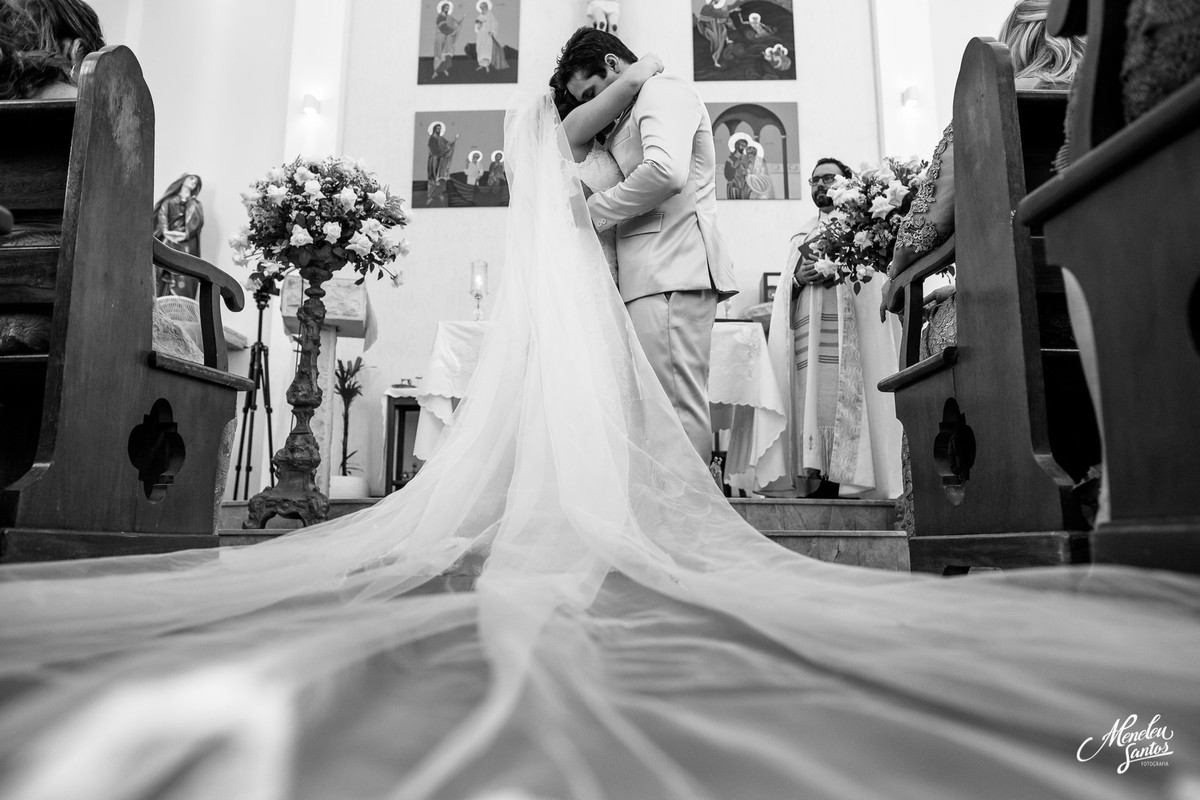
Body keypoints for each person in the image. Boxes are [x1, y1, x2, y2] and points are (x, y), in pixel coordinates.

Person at [1, 20, 1199, 800]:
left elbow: (666, 172)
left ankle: (671, 540)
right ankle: (651, 541)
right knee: (635, 423)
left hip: (659, 273)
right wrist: (596, 146)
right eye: (587, 80)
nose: (587, 88)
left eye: (589, 75)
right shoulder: (580, 118)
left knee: (670, 417)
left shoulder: (644, 106)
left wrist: (603, 166)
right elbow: (586, 146)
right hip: (617, 284)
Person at [881, 0, 1090, 529]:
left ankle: (941, 515)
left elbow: (928, 224)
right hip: (1110, 303)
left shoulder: (984, 109)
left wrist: (898, 273)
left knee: (939, 325)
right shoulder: (1106, 101)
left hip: (1008, 317)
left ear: (1013, 40)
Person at [554, 27, 737, 463]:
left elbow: (665, 172)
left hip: (671, 267)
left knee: (675, 407)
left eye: (593, 92)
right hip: (651, 275)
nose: (594, 108)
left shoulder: (661, 92)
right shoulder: (630, 109)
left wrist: (596, 209)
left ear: (615, 65)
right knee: (659, 412)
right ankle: (675, 517)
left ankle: (691, 523)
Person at [761, 158, 902, 499]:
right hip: (809, 336)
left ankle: (848, 479)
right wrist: (797, 279)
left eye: (828, 178)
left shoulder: (863, 224)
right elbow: (784, 288)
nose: (820, 185)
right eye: (814, 180)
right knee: (813, 402)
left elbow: (875, 278)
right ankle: (819, 478)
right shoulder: (801, 234)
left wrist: (840, 271)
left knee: (843, 399)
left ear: (847, 182)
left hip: (847, 334)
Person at [425, 121, 458, 205]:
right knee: (433, 177)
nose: (438, 130)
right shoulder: (432, 139)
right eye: (437, 128)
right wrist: (444, 151)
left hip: (441, 160)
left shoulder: (441, 138)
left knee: (440, 177)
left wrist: (454, 140)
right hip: (434, 161)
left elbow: (448, 144)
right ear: (434, 129)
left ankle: (439, 194)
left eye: (440, 128)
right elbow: (434, 150)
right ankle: (430, 197)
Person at [473, 0, 508, 72]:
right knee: (480, 49)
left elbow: (495, 24)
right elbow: (476, 26)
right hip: (481, 36)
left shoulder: (491, 15)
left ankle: (487, 66)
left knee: (487, 49)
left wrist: (492, 32)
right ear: (480, 8)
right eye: (482, 6)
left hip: (488, 35)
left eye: (484, 6)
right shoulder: (479, 16)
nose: (483, 7)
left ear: (487, 7)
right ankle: (481, 65)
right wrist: (477, 28)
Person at [430, 0, 461, 80]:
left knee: (446, 55)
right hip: (440, 37)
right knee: (439, 54)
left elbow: (455, 22)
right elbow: (443, 27)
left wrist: (457, 24)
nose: (446, 9)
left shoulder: (448, 17)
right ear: (442, 8)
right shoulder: (440, 17)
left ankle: (443, 69)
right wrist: (453, 31)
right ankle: (435, 71)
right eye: (445, 7)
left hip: (446, 38)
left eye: (448, 7)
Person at [722, 134, 751, 199]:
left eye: (745, 146)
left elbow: (750, 170)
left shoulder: (746, 158)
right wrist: (734, 167)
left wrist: (747, 172)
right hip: (733, 186)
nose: (743, 148)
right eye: (742, 145)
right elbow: (727, 174)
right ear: (737, 146)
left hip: (744, 186)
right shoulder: (730, 159)